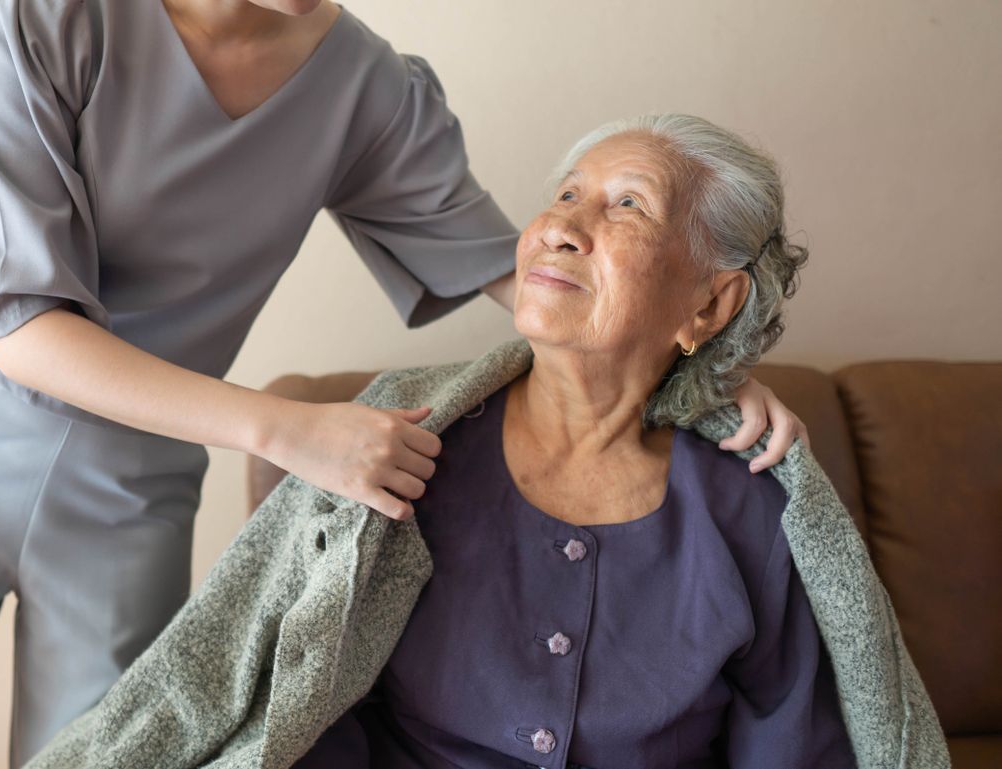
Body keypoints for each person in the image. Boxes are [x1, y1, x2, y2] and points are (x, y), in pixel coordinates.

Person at [0, 1, 807, 766]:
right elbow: (23, 330)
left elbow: (533, 267)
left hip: (130, 495)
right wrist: (287, 430)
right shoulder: (51, 19)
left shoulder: (364, 86)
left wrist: (706, 368)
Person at [292, 113, 853, 767]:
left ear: (710, 304)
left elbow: (790, 740)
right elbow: (301, 703)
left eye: (629, 205)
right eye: (566, 194)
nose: (560, 227)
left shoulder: (750, 499)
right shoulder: (402, 443)